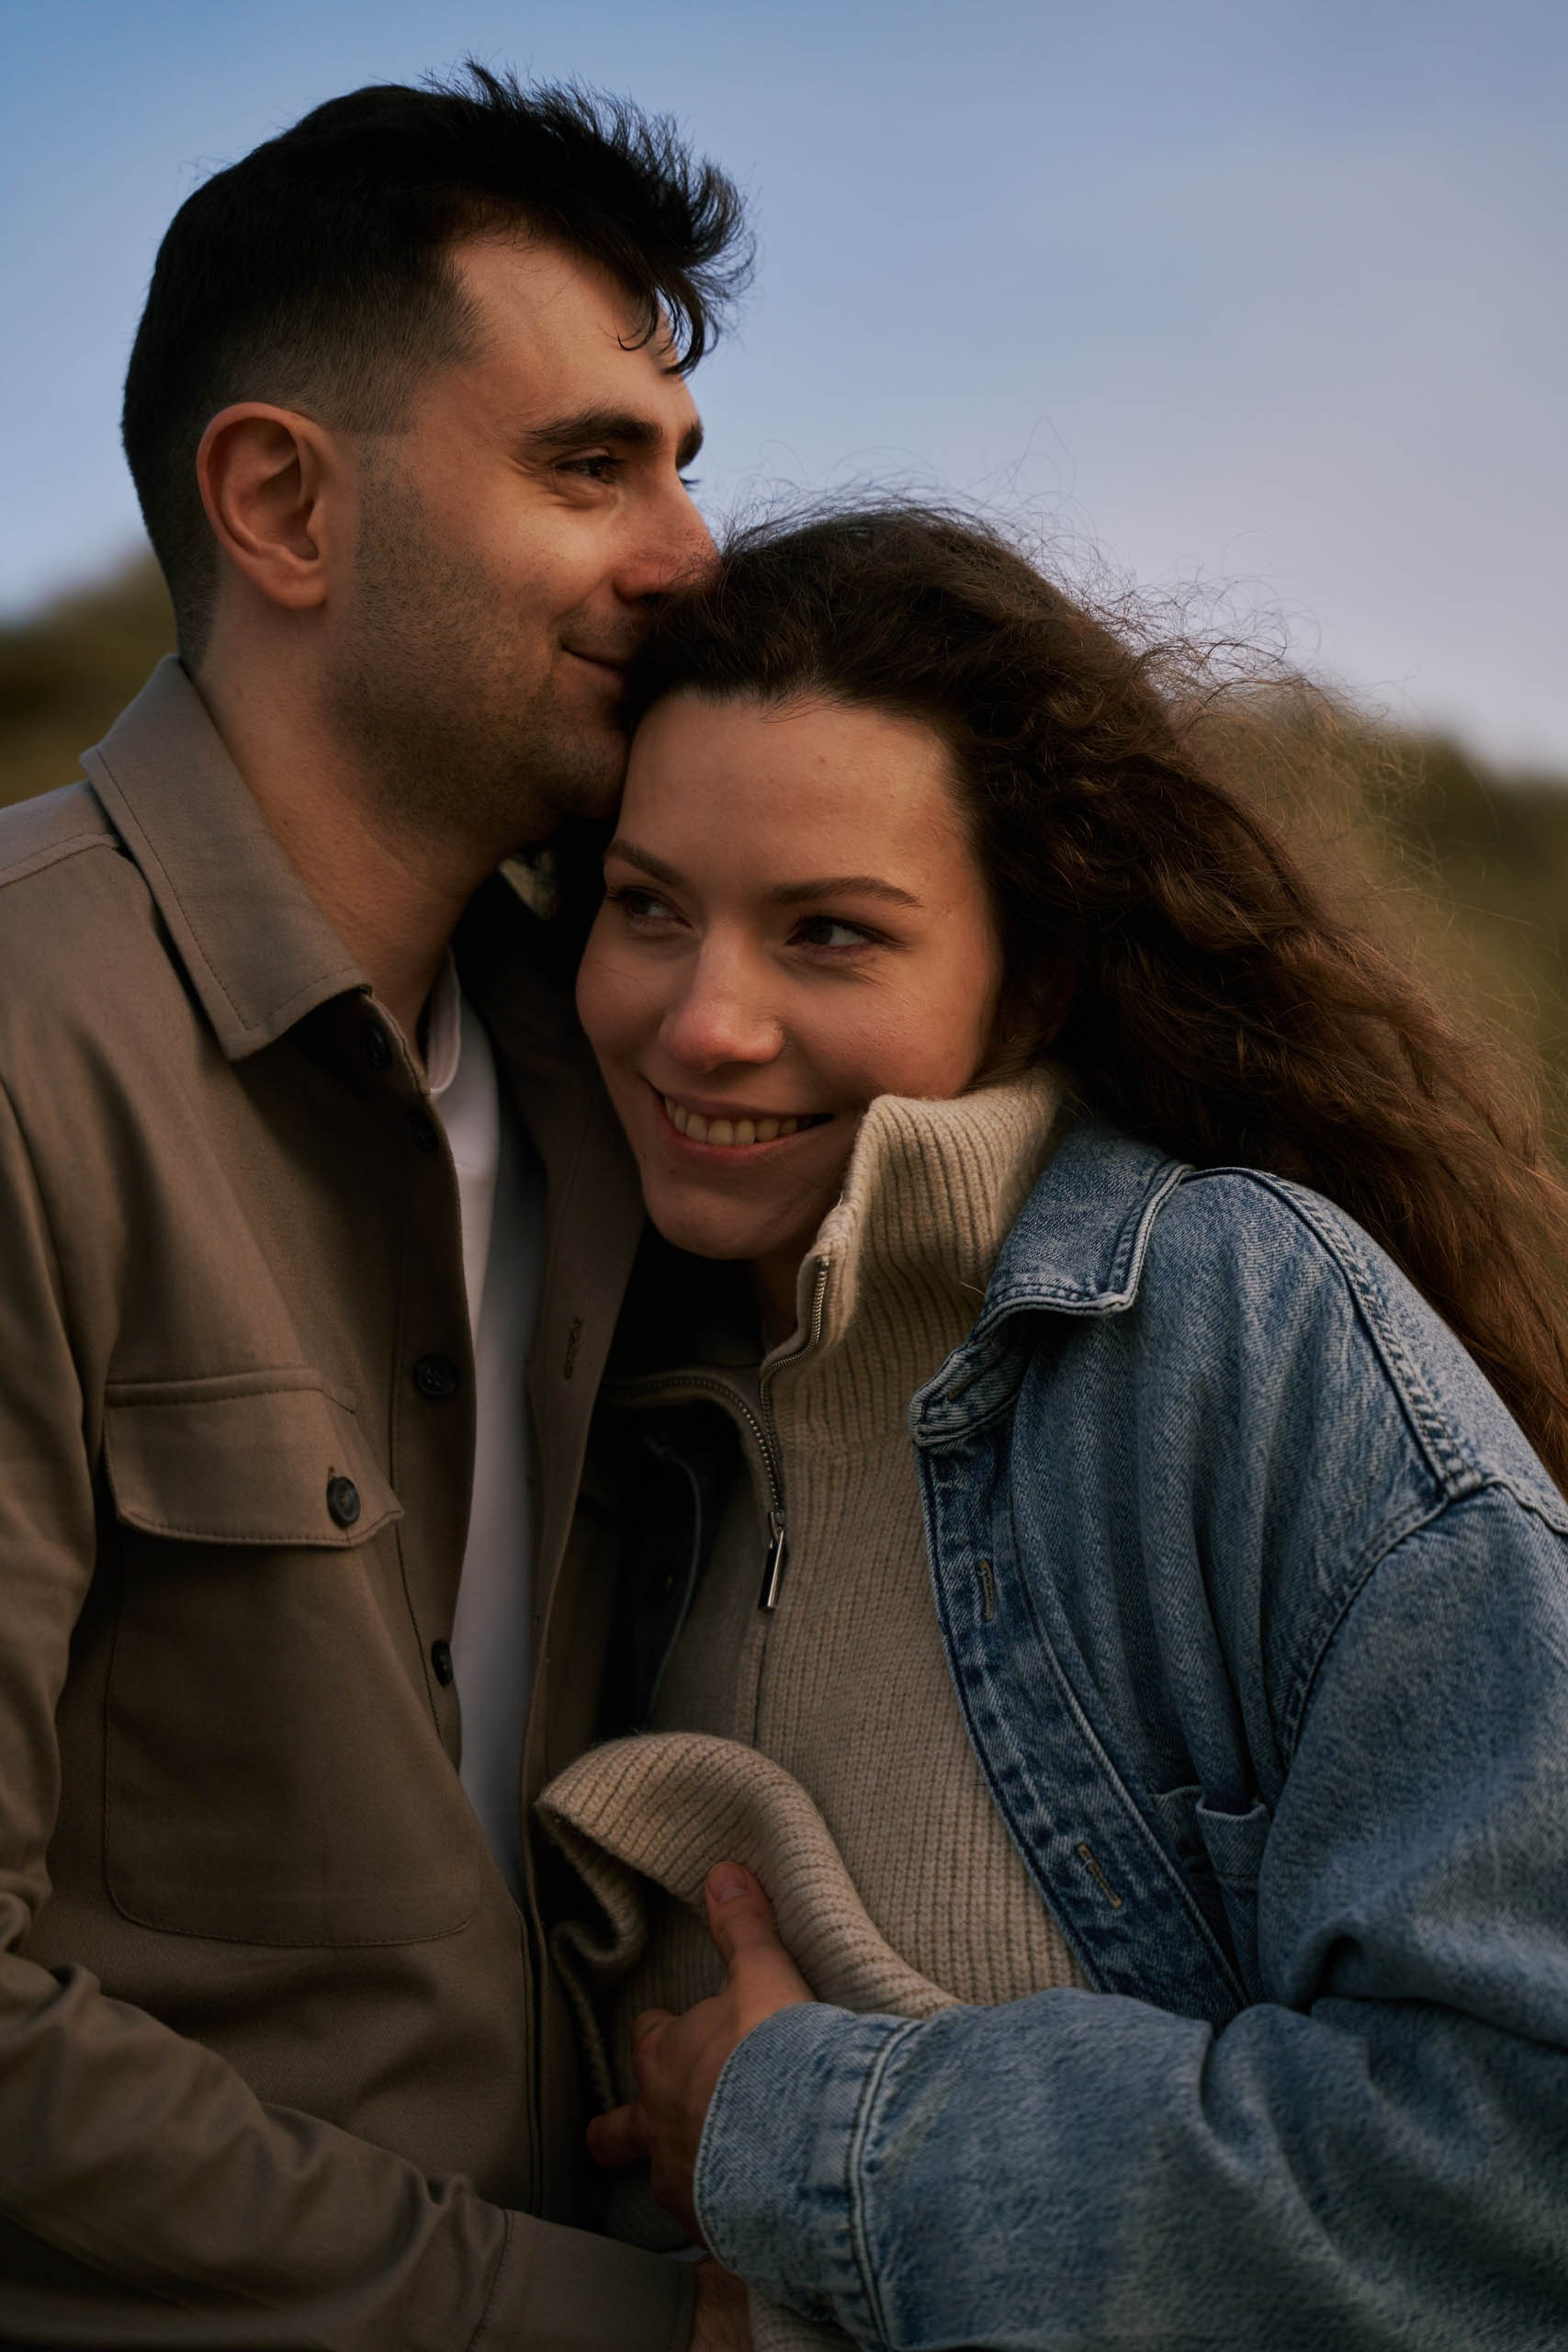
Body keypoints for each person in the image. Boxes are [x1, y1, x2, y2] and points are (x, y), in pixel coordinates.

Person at [550, 504, 1568, 2348]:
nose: (701, 1021)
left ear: (1021, 977)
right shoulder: (624, 1389)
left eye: (829, 934)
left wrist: (796, 2129)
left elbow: (1517, 2170)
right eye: (645, 906)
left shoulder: (1233, 1325)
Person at [0, 65, 755, 2351]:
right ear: (281, 506)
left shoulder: (645, 1085)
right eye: (585, 465)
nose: (690, 556)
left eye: (682, 466)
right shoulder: (26, 1049)